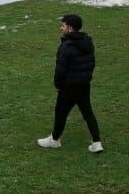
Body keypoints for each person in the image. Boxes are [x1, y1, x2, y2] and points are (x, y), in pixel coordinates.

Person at [37, 14, 103, 153]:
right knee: (87, 112)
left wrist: (59, 86)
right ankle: (97, 143)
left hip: (69, 87)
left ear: (70, 28)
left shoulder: (66, 46)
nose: (61, 28)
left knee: (60, 112)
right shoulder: (88, 42)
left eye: (63, 25)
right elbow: (90, 64)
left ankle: (54, 140)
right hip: (84, 85)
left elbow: (60, 70)